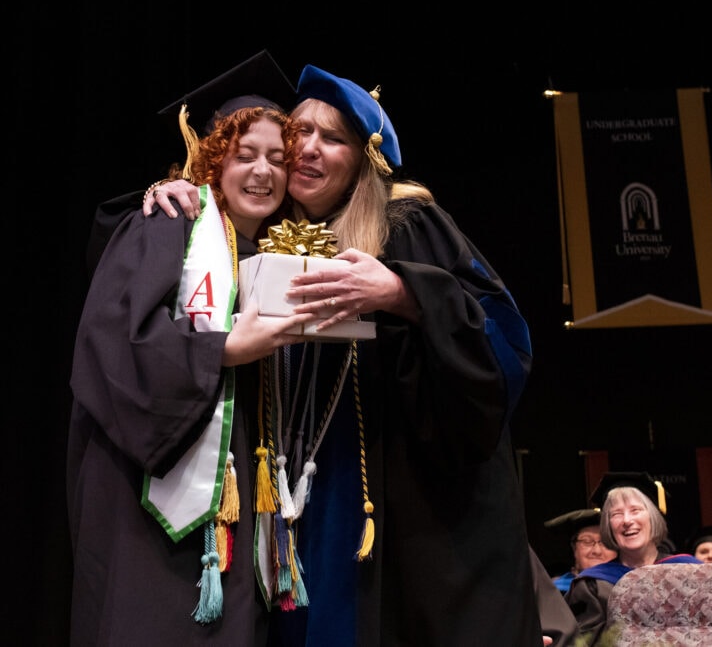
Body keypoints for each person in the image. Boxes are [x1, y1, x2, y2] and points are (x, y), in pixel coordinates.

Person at [145, 63, 541, 646]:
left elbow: (505, 341)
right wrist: (173, 190)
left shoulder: (406, 223)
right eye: (297, 134)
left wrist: (402, 293)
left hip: (408, 512)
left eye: (330, 138)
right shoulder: (271, 237)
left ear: (364, 158)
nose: (305, 149)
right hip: (300, 506)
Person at [67, 63, 312, 645]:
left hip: (239, 503)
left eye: (278, 159)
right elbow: (112, 345)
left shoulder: (279, 258)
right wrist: (222, 350)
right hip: (147, 492)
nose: (262, 171)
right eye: (244, 153)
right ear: (212, 160)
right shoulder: (169, 221)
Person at [564, 472, 701, 646]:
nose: (627, 520)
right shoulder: (593, 585)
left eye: (635, 510)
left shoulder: (690, 571)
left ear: (653, 517)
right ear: (608, 526)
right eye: (616, 514)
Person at [543, 508, 618, 592]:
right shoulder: (556, 592)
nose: (597, 551)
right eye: (587, 541)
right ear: (574, 548)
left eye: (605, 542)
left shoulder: (629, 587)